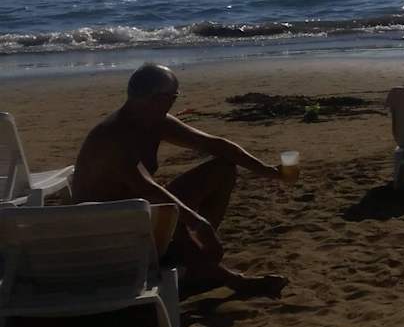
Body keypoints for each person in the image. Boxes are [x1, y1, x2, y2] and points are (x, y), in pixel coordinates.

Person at [71, 63, 289, 295]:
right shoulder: (113, 135)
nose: (173, 102)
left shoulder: (154, 121)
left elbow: (215, 145)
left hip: (141, 210)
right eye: (173, 97)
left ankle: (198, 255)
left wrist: (268, 171)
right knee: (173, 216)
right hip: (110, 227)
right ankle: (234, 281)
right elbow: (146, 187)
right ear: (159, 98)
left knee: (222, 169)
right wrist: (196, 222)